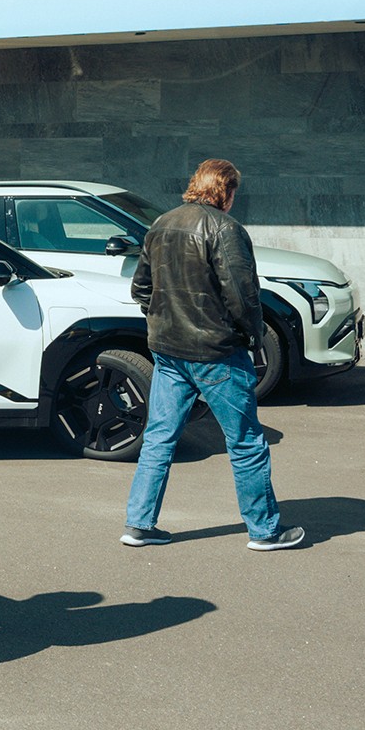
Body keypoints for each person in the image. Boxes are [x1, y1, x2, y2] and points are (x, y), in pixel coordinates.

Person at [123, 159, 305, 552]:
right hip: (216, 352)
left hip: (168, 350)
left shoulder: (162, 224)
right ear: (226, 190)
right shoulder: (225, 229)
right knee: (245, 442)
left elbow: (140, 289)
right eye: (234, 191)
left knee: (158, 438)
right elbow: (242, 295)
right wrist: (251, 336)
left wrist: (164, 318)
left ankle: (138, 524)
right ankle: (265, 530)